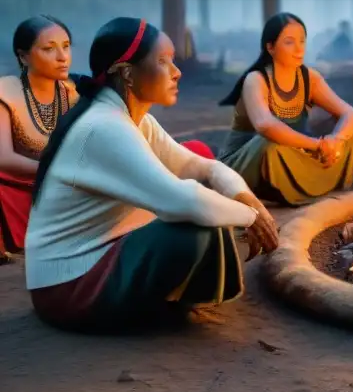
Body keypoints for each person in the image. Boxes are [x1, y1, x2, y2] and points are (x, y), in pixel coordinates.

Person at [24, 18, 278, 332]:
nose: (177, 71)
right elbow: (184, 202)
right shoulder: (104, 126)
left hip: (99, 253)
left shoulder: (133, 118)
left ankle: (164, 296)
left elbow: (204, 167)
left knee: (200, 171)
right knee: (194, 225)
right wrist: (251, 217)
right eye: (162, 61)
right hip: (65, 287)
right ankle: (148, 308)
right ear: (128, 74)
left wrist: (244, 197)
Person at [219, 13, 353, 205]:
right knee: (270, 145)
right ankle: (291, 188)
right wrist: (317, 145)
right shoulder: (256, 80)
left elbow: (351, 114)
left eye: (302, 41)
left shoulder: (309, 78)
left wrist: (335, 140)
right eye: (289, 42)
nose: (298, 49)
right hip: (249, 163)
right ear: (270, 47)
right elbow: (266, 126)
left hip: (294, 152)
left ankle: (312, 183)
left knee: (350, 135)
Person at [0, 16, 78, 258]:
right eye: (49, 49)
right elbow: (3, 159)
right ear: (23, 56)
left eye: (66, 46)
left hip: (63, 186)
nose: (62, 57)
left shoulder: (73, 93)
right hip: (16, 188)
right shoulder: (5, 92)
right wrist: (53, 171)